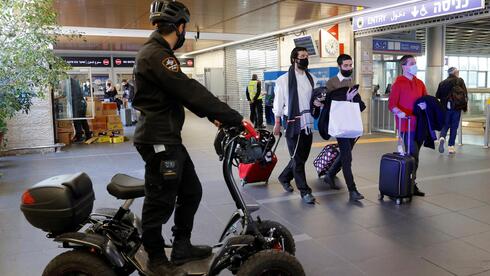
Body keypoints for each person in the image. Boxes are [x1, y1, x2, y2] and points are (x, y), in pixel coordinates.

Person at [132, 1, 244, 275]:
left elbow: (178, 94)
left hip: (167, 137)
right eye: (185, 28)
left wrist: (212, 116)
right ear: (180, 27)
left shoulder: (156, 53)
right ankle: (157, 259)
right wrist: (234, 118)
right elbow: (189, 89)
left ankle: (181, 246)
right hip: (159, 140)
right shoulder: (158, 54)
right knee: (160, 199)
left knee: (192, 190)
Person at [273, 46, 318, 204]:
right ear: (294, 59)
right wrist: (277, 123)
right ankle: (305, 191)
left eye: (306, 56)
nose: (305, 58)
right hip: (292, 122)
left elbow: (313, 99)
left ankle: (284, 177)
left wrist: (318, 102)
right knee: (298, 159)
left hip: (308, 122)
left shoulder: (311, 78)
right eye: (302, 56)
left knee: (301, 157)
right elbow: (278, 104)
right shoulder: (283, 80)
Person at [322, 54, 364, 202]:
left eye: (350, 65)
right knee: (347, 156)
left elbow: (356, 103)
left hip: (351, 122)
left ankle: (330, 174)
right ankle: (352, 190)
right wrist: (345, 99)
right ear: (339, 66)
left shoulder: (351, 81)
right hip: (340, 125)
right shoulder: (331, 83)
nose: (349, 68)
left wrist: (353, 99)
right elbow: (328, 105)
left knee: (346, 153)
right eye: (346, 65)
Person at [388, 55, 427, 197]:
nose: (414, 65)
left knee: (416, 157)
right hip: (406, 125)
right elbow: (392, 104)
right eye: (412, 63)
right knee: (413, 154)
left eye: (415, 63)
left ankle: (411, 183)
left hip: (419, 125)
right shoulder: (398, 84)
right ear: (404, 66)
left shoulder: (420, 83)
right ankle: (408, 184)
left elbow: (425, 99)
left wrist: (425, 104)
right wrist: (399, 112)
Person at [436, 67, 468, 154]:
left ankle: (442, 138)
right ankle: (451, 146)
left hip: (445, 108)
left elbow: (438, 95)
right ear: (455, 72)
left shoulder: (442, 83)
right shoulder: (460, 81)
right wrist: (464, 106)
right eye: (457, 71)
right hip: (457, 107)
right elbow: (465, 93)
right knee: (454, 126)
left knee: (445, 125)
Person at [70, 77, 92, 142]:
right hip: (81, 104)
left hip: (77, 105)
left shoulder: (71, 84)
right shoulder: (76, 83)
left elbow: (68, 94)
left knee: (77, 121)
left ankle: (79, 137)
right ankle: (88, 135)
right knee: (83, 120)